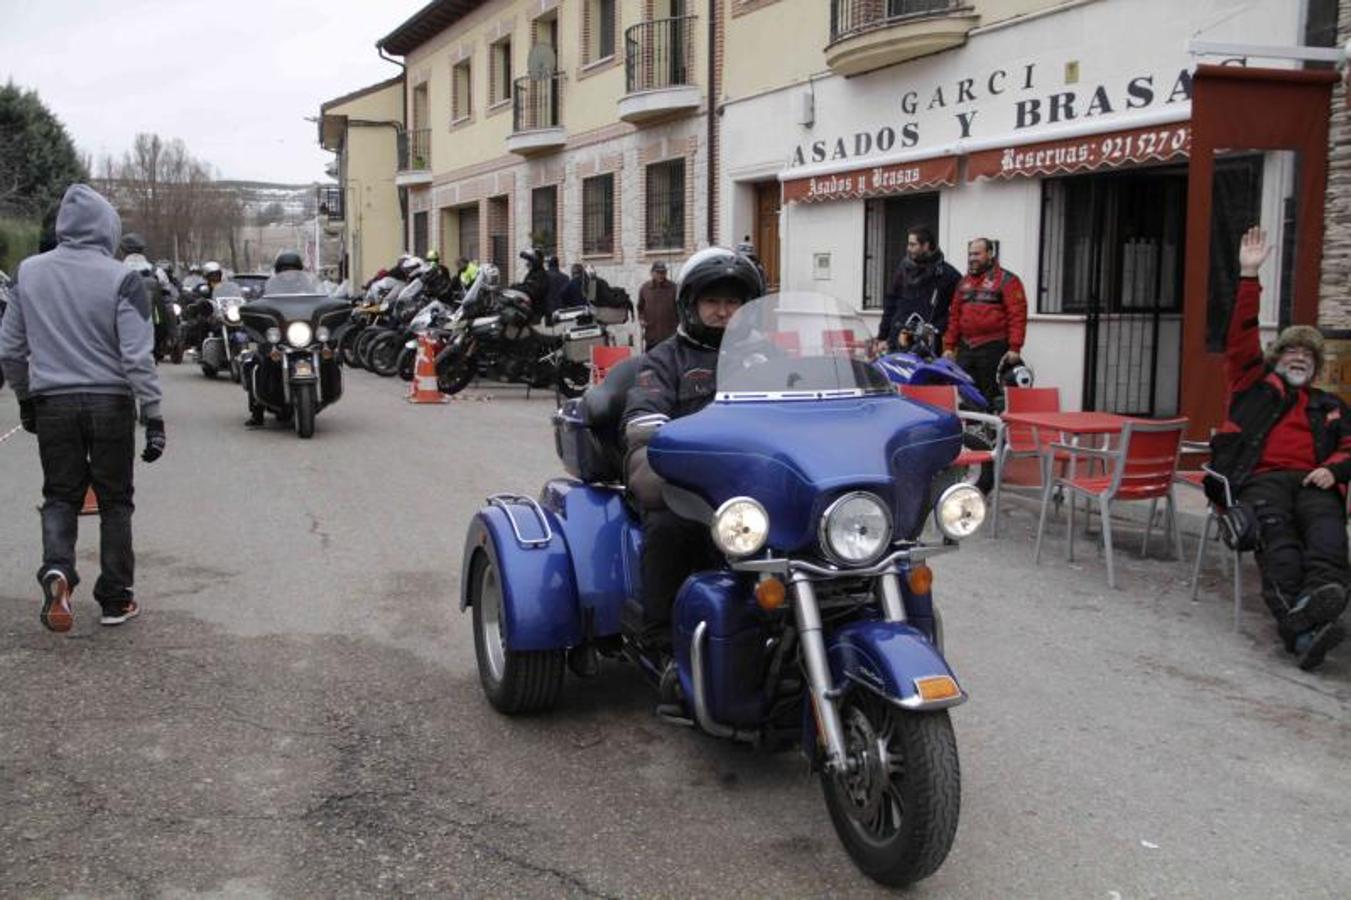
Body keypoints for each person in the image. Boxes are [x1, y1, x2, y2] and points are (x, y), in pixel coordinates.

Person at [0, 184, 164, 632]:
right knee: (114, 501)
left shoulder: (28, 274)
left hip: (52, 402)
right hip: (111, 402)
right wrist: (153, 415)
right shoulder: (122, 278)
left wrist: (25, 397)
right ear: (107, 228)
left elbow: (11, 349)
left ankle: (58, 570)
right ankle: (115, 598)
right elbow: (136, 356)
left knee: (60, 495)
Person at [1208, 226, 1349, 671]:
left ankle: (1310, 613)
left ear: (1315, 367)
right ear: (1277, 356)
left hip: (1314, 481)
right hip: (1262, 481)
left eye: (1308, 356)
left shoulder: (1329, 406)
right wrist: (1249, 276)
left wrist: (1336, 470)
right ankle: (1303, 623)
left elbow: (1349, 446)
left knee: (1328, 540)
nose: (1299, 358)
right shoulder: (1252, 386)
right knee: (1281, 545)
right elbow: (1241, 337)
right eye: (1292, 351)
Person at [623, 247, 765, 653]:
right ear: (691, 305)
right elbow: (644, 422)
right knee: (669, 526)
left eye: (733, 302)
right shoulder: (665, 359)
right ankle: (661, 639)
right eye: (713, 302)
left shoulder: (765, 357)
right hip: (689, 481)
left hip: (752, 478)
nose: (723, 312)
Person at [942, 237, 1028, 406]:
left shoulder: (1008, 280)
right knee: (965, 394)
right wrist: (949, 347)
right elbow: (954, 316)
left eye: (977, 254)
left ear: (990, 254)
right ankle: (973, 431)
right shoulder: (963, 282)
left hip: (993, 348)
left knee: (992, 396)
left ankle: (990, 431)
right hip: (966, 349)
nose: (972, 258)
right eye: (970, 254)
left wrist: (1015, 347)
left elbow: (1017, 316)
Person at [877, 225, 961, 354]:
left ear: (926, 246)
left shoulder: (948, 275)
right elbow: (891, 303)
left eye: (912, 244)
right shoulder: (903, 270)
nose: (908, 248)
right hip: (897, 342)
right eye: (908, 244)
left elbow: (957, 310)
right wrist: (882, 336)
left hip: (927, 345)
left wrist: (938, 329)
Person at [637, 261, 677, 350]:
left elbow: (680, 308)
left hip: (670, 335)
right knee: (652, 361)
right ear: (652, 273)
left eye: (663, 272)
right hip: (651, 335)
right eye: (658, 272)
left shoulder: (674, 288)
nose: (661, 275)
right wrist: (641, 319)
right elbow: (640, 307)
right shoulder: (645, 288)